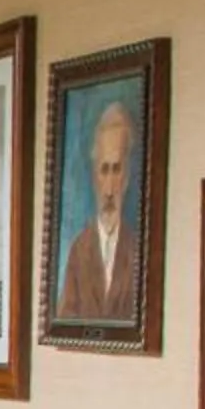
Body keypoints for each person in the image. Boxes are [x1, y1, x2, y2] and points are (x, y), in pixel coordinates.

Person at [53, 97, 139, 324]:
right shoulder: (78, 251)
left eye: (117, 170)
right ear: (93, 176)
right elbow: (64, 325)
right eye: (104, 170)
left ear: (128, 177)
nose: (109, 190)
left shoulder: (137, 251)